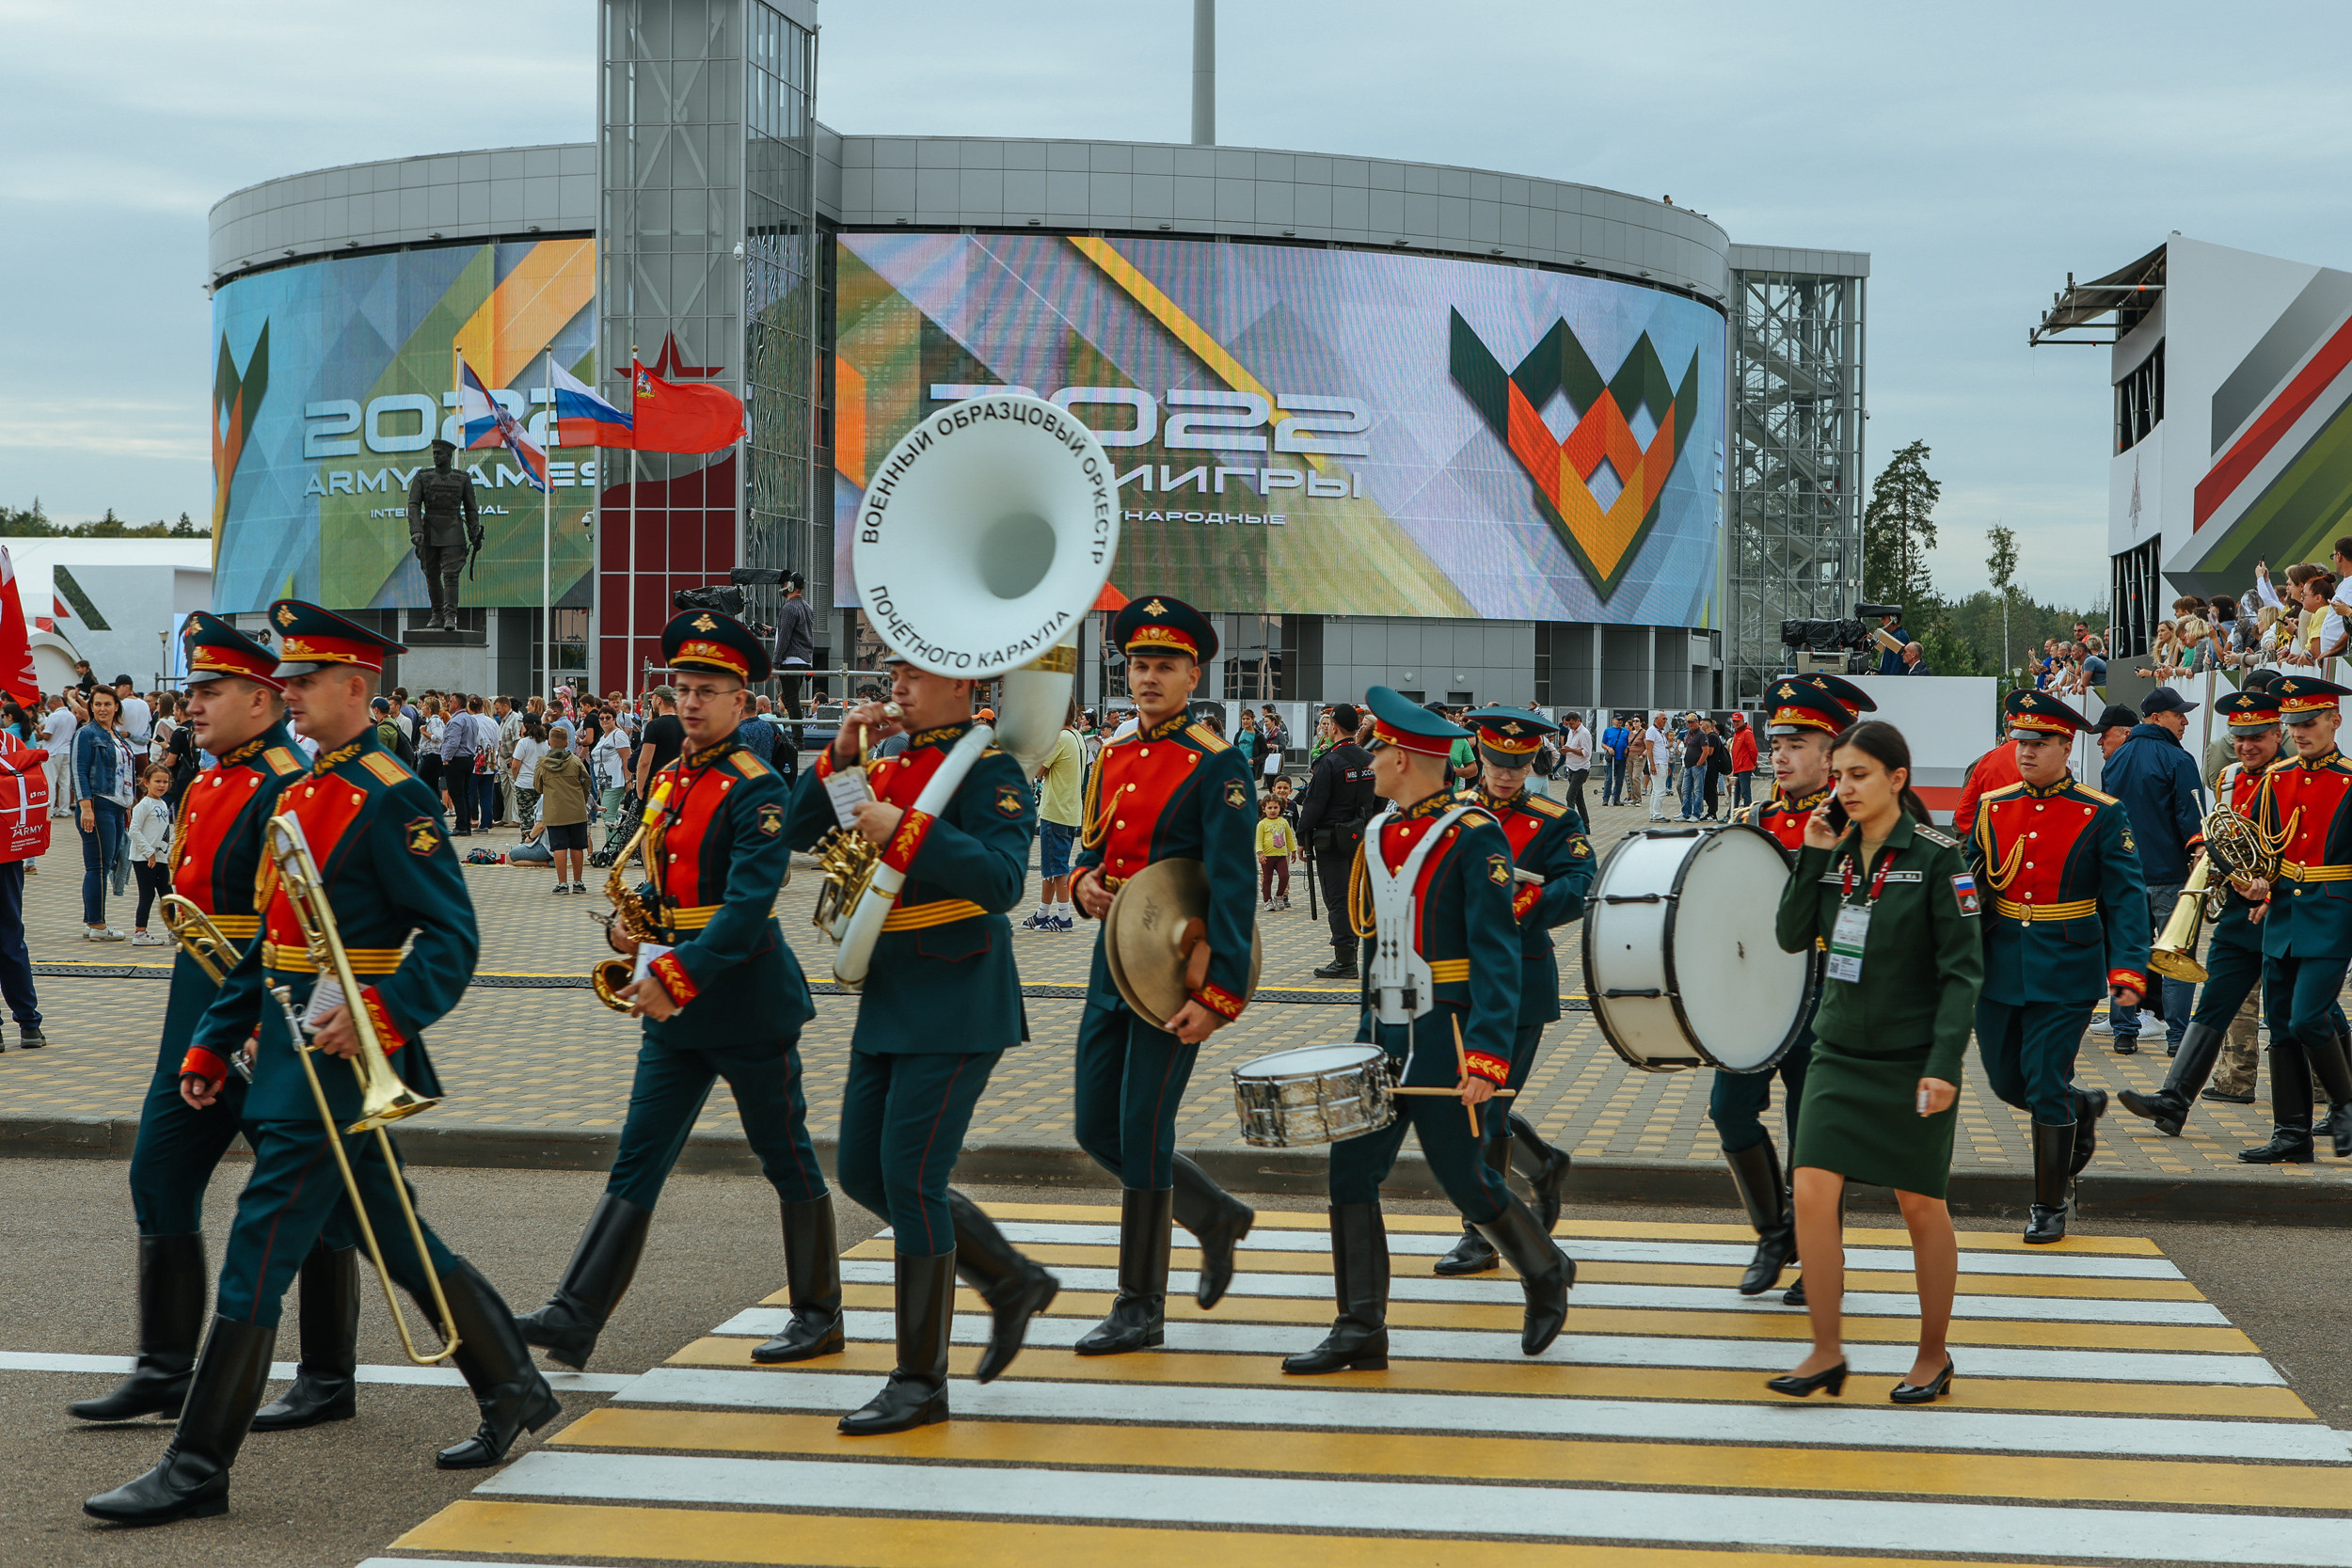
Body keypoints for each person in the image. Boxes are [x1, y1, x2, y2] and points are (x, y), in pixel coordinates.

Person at [86, 603, 557, 1527]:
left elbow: (452, 938)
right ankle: (512, 1384)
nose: (288, 691)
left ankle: (196, 1464)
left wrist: (375, 1012)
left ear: (356, 688)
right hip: (287, 1041)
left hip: (338, 1056)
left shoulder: (393, 793)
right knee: (394, 1229)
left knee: (259, 1244)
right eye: (286, 679)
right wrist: (214, 1040)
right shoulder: (303, 793)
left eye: (304, 680)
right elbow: (271, 946)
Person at [518, 610, 836, 1376]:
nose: (691, 702)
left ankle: (819, 1314)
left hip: (745, 1001)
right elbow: (668, 887)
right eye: (683, 688)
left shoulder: (756, 787)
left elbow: (747, 906)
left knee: (784, 1155)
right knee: (638, 1156)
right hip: (672, 999)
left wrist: (674, 972)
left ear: (741, 701)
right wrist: (635, 936)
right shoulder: (670, 776)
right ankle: (575, 1315)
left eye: (710, 690)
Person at [68, 615, 348, 1432]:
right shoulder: (210, 778)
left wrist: (278, 1019)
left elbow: (315, 920)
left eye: (209, 690)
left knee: (319, 1203)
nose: (192, 705)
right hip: (197, 1018)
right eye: (192, 690)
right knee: (157, 1175)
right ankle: (162, 1369)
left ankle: (329, 1374)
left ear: (263, 699)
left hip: (270, 1021)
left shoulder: (289, 784)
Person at [784, 641, 1059, 1433]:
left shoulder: (990, 768)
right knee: (867, 1170)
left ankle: (919, 1379)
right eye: (893, 673)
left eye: (912, 674)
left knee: (909, 1176)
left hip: (958, 992)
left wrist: (902, 827)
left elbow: (1004, 880)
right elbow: (808, 833)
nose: (895, 685)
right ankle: (1010, 1278)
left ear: (962, 682)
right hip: (894, 989)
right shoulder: (892, 758)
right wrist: (839, 757)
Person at [1283, 688, 1570, 1375]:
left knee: (1465, 1179)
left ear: (1408, 758)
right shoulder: (1382, 829)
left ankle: (1545, 1268)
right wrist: (1363, 1035)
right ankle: (1359, 1325)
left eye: (1381, 748)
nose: (1371, 758)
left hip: (1444, 1031)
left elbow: (1497, 953)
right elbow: (1378, 939)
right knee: (1350, 1169)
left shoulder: (1474, 835)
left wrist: (1488, 1055)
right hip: (1385, 1031)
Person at [1768, 720, 1982, 1403]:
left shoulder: (1939, 858)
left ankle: (1932, 1352)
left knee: (1920, 1205)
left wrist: (1944, 1063)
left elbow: (1962, 974)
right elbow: (1790, 933)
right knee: (1809, 1191)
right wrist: (1810, 854)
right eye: (1840, 775)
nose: (1845, 788)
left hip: (1912, 1059)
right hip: (1838, 1052)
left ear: (1897, 778)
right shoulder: (1834, 850)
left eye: (1860, 774)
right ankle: (1826, 1349)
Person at [1067, 596, 1258, 1354]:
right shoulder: (1112, 753)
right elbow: (1091, 852)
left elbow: (1235, 890)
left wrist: (1219, 997)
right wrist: (1082, 883)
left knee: (1144, 1131)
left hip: (1179, 975)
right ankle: (1215, 1213)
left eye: (1164, 666)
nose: (1147, 677)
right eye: (1138, 664)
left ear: (1193, 672)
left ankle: (1139, 1303)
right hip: (1110, 965)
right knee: (1093, 1126)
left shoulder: (1219, 763)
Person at [1716, 673, 1875, 1304]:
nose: (1778, 753)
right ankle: (1772, 1231)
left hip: (1827, 995)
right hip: (1757, 994)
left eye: (1797, 742)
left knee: (1816, 1132)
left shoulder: (1860, 824)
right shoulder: (1751, 819)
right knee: (1729, 1111)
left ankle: (1820, 1257)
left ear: (1832, 751)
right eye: (1776, 740)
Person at [1968, 691, 2149, 1243]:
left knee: (2044, 1079)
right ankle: (2079, 1107)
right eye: (2019, 741)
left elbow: (2125, 897)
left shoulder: (2100, 812)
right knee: (2004, 1080)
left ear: (2066, 746)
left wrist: (2129, 970)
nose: (2024, 752)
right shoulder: (1993, 805)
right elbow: (1970, 883)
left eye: (2038, 742)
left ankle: (2049, 1205)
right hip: (2000, 962)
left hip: (2067, 961)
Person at [1429, 707, 1587, 1275]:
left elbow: (1579, 885)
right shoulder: (1452, 813)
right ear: (1478, 754)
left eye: (1518, 764)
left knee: (1487, 1107)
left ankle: (1480, 1235)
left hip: (1519, 978)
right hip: (1454, 981)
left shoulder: (1552, 819)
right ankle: (1542, 1165)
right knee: (1472, 1105)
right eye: (1497, 762)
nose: (1506, 775)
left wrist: (1526, 906)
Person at [2120, 689, 2289, 1137]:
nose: (2246, 745)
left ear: (2278, 733)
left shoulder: (2294, 778)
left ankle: (2340, 1103)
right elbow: (2217, 826)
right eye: (2239, 737)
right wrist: (2202, 851)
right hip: (2238, 913)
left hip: (2285, 913)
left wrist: (2270, 888)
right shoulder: (2231, 777)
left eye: (2256, 736)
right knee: (2212, 1006)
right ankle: (2174, 1100)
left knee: (2310, 1012)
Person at [2231, 675, 2352, 1164]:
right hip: (2283, 914)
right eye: (2293, 723)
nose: (2299, 732)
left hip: (2332, 913)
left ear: (2334, 720)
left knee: (2308, 1017)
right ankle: (2292, 1134)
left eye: (2309, 722)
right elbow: (2259, 853)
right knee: (2279, 1025)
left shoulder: (2350, 780)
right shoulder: (2275, 780)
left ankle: (2345, 1103)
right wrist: (2254, 883)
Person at [2098, 688, 2209, 1057]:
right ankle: (2177, 1037)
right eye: (2179, 715)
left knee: (2128, 952)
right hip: (2170, 876)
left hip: (2126, 877)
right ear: (2158, 717)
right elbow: (2192, 821)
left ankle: (2124, 1031)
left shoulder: (2115, 760)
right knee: (2176, 955)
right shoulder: (2179, 759)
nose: (2185, 721)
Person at [74, 685, 136, 941]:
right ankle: (98, 925)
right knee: (98, 865)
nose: (102, 709)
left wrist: (128, 806)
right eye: (97, 704)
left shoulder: (117, 735)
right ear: (91, 707)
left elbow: (125, 774)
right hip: (98, 806)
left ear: (116, 707)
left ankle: (93, 922)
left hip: (117, 807)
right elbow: (79, 771)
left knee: (103, 863)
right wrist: (85, 806)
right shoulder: (86, 734)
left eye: (107, 704)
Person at [405, 438, 481, 630]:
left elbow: (471, 509)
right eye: (434, 453)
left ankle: (450, 617)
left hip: (453, 530)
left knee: (451, 576)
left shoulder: (462, 479)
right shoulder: (423, 477)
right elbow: (413, 504)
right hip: (429, 530)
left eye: (439, 453)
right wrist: (416, 530)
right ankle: (437, 614)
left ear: (449, 455)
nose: (436, 456)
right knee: (431, 575)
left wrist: (474, 532)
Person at [1023, 701, 1085, 932]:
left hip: (1056, 810)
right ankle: (1043, 913)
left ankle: (1063, 917)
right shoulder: (1076, 736)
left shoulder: (1059, 738)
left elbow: (1038, 770)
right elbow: (1050, 769)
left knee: (1057, 868)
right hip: (1070, 810)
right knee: (1049, 867)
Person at [535, 727, 591, 895]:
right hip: (576, 810)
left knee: (559, 847)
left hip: (554, 812)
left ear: (549, 743)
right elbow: (586, 783)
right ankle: (578, 882)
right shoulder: (575, 762)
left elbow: (538, 788)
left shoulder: (542, 764)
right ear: (567, 743)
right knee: (577, 846)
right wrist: (582, 797)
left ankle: (562, 884)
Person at [125, 763, 174, 945]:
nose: (161, 785)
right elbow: (134, 830)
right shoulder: (144, 805)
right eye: (157, 781)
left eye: (165, 782)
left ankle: (173, 931)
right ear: (146, 782)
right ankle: (140, 933)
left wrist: (167, 852)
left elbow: (164, 831)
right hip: (144, 859)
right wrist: (148, 853)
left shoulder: (162, 803)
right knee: (147, 894)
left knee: (167, 894)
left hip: (160, 858)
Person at [771, 569, 816, 750]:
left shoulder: (789, 608)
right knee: (792, 699)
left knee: (791, 700)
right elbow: (799, 635)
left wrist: (775, 663)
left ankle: (798, 740)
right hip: (804, 660)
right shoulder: (806, 607)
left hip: (790, 660)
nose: (782, 587)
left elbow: (784, 639)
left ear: (790, 586)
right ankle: (798, 739)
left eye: (784, 584)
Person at [634, 686, 684, 799]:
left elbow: (645, 761)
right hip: (680, 782)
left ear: (659, 700)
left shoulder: (654, 726)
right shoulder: (685, 724)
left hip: (658, 784)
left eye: (653, 698)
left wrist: (640, 789)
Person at [1256, 796, 1295, 911]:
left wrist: (1293, 851)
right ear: (1264, 809)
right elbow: (1258, 840)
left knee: (1285, 876)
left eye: (1275, 807)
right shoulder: (1262, 824)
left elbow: (1289, 837)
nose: (1272, 810)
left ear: (1280, 808)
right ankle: (1267, 901)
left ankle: (1279, 896)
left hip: (1281, 856)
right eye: (1270, 808)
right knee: (1267, 879)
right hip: (1267, 857)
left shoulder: (1284, 822)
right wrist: (1260, 853)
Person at [509, 718, 548, 832]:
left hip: (524, 783)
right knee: (539, 816)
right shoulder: (545, 743)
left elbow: (515, 765)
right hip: (540, 784)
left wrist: (516, 779)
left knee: (526, 817)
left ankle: (526, 841)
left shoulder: (523, 742)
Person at [42, 693, 77, 819]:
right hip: (67, 751)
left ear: (53, 703)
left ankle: (50, 809)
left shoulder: (53, 716)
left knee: (51, 781)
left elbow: (47, 736)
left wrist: (39, 731)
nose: (49, 707)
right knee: (65, 782)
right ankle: (64, 809)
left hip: (53, 752)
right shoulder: (72, 716)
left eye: (49, 705)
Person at [1556, 711, 1592, 822]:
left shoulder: (1584, 733)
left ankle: (1570, 824)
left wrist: (1570, 750)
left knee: (1570, 796)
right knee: (1579, 799)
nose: (1570, 726)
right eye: (1568, 724)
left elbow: (1586, 753)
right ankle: (1585, 826)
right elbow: (1570, 746)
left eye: (1571, 724)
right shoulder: (1571, 731)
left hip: (1581, 769)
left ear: (1578, 721)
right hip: (1571, 767)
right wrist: (1565, 750)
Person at [1599, 713, 1629, 807]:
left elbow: (1628, 743)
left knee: (1619, 780)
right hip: (1612, 759)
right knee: (1609, 779)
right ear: (1613, 720)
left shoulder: (1626, 731)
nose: (1620, 721)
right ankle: (1605, 799)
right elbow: (1603, 744)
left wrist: (1627, 748)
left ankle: (1616, 798)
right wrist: (1608, 748)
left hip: (1622, 758)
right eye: (1618, 719)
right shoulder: (1608, 731)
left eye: (1621, 720)